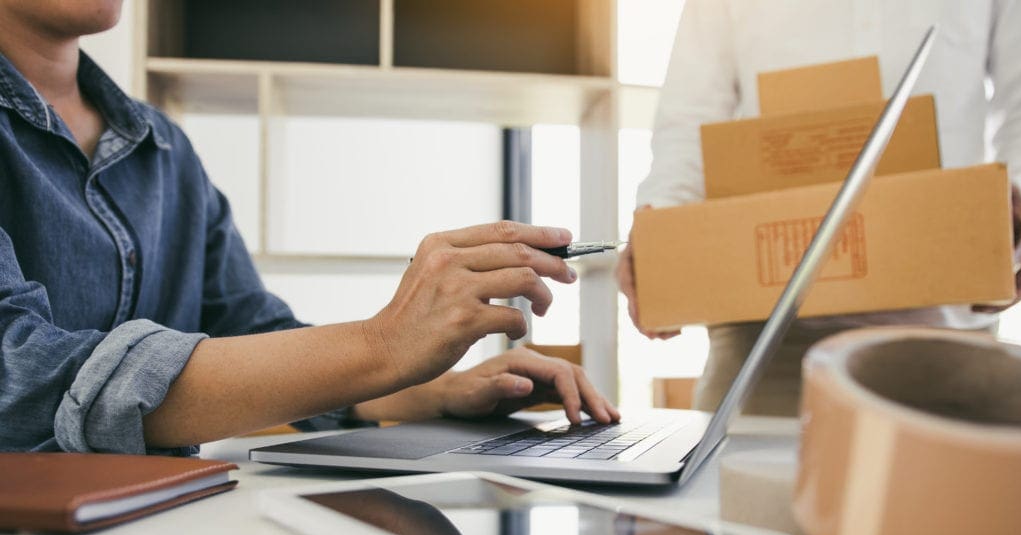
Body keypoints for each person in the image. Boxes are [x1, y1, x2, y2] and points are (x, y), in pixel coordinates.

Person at [0, 0, 619, 456]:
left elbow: (257, 333)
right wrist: (382, 344)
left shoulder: (165, 149)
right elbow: (19, 374)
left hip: (159, 523)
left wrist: (427, 388)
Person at [617, 0, 1021, 416]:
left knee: (951, 481)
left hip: (946, 326)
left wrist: (1018, 197)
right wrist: (661, 227)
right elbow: (690, 118)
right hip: (766, 332)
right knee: (736, 478)